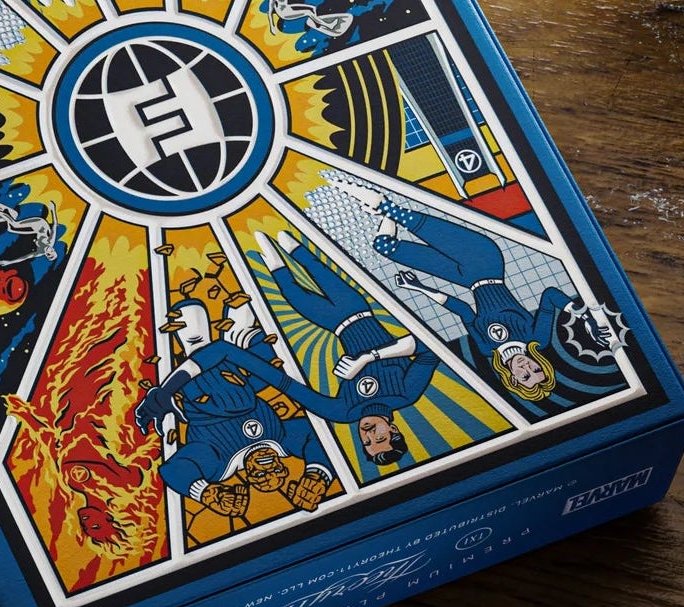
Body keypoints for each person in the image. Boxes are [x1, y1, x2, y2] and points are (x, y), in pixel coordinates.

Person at [333, 177, 575, 405]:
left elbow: (463, 310)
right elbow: (550, 295)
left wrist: (419, 287)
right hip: (486, 260)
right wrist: (582, 314)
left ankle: (383, 207)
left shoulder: (486, 348)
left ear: (511, 378)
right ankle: (381, 204)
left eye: (524, 376)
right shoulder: (536, 338)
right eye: (536, 369)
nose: (526, 367)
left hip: (465, 278)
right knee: (404, 217)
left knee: (384, 246)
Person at [251, 231, 437, 467]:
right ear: (392, 428)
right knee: (316, 268)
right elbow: (429, 349)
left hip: (332, 323)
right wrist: (368, 358)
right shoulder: (406, 394)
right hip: (356, 308)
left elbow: (288, 386)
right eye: (379, 437)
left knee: (291, 291)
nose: (368, 433)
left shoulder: (342, 413)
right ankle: (292, 245)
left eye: (367, 443)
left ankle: (276, 261)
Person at [135, 299, 336, 516]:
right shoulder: (281, 440)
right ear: (285, 466)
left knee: (192, 327)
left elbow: (173, 469)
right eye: (277, 470)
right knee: (256, 338)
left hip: (195, 393)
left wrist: (207, 493)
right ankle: (241, 337)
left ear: (247, 477)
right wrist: (318, 474)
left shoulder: (220, 464)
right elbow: (318, 436)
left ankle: (202, 343)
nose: (268, 468)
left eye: (261, 476)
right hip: (240, 375)